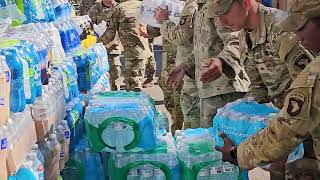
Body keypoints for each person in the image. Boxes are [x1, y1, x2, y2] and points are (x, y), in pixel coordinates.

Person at [213, 0, 320, 179]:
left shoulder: (283, 32)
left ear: (245, 3)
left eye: (224, 13)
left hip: (301, 137)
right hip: (282, 132)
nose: (221, 23)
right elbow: (259, 91)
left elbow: (303, 109)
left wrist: (238, 154)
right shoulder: (244, 35)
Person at [164, 0, 251, 128]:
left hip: (225, 91)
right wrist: (186, 66)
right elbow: (204, 48)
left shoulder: (218, 4)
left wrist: (222, 61)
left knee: (219, 142)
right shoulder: (202, 7)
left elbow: (239, 40)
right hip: (210, 90)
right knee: (210, 141)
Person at [154, 0, 200, 128]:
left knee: (185, 110)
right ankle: (178, 132)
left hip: (186, 66)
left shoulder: (191, 7)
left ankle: (182, 136)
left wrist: (164, 21)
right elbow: (153, 31)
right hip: (171, 62)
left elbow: (181, 37)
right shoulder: (168, 4)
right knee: (172, 103)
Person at [93, 0, 153, 92]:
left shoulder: (119, 9)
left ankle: (135, 104)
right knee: (137, 80)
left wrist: (95, 44)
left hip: (133, 54)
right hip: (145, 53)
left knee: (133, 86)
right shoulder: (142, 5)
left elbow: (110, 34)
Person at [88, 0, 122, 91]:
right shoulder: (95, 9)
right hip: (98, 49)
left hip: (113, 48)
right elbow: (89, 27)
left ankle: (116, 96)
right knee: (100, 77)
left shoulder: (119, 8)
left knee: (115, 76)